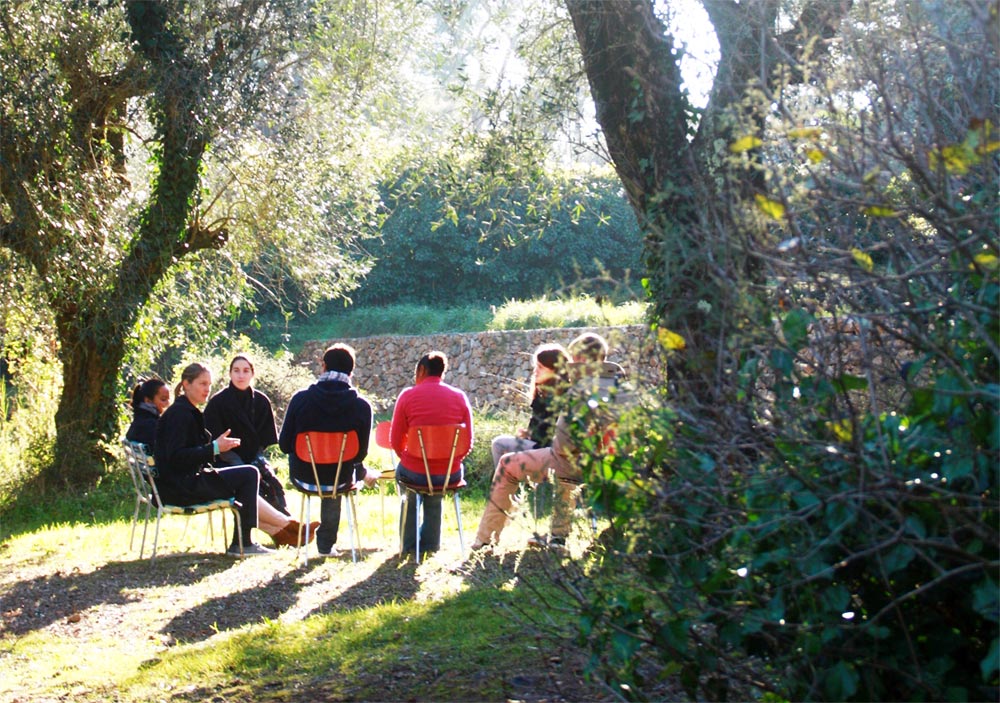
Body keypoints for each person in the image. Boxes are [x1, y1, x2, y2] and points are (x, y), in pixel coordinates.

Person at [471, 332, 625, 551]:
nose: (570, 364)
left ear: (581, 358)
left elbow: (570, 440)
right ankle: (557, 538)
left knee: (507, 463)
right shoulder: (615, 381)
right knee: (561, 467)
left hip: (567, 460)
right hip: (603, 464)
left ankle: (485, 540)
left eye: (573, 358)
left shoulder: (586, 384)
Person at [154, 362, 312, 556]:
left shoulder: (187, 410)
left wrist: (212, 450)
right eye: (202, 383)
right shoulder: (180, 414)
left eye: (209, 384)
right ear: (186, 384)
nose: (207, 389)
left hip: (183, 481)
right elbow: (176, 458)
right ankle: (278, 529)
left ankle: (280, 531)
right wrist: (214, 448)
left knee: (248, 473)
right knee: (247, 474)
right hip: (179, 487)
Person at [278, 344, 380, 558]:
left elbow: (285, 445)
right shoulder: (362, 406)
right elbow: (360, 454)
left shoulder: (300, 399)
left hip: (303, 476)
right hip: (340, 479)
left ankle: (321, 543)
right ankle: (326, 544)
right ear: (351, 372)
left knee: (332, 470)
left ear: (323, 366)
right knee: (338, 474)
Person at [389, 351, 474, 555]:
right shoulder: (459, 397)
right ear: (442, 372)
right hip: (449, 473)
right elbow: (467, 442)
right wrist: (450, 461)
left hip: (415, 469)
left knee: (410, 485)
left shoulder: (408, 396)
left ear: (421, 370)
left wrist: (410, 459)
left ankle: (409, 545)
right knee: (435, 487)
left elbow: (395, 440)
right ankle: (431, 543)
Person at [204, 354, 288, 515]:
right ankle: (280, 526)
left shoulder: (261, 401)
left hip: (254, 456)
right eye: (236, 370)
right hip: (224, 461)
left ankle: (286, 520)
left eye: (245, 371)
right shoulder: (218, 402)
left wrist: (255, 461)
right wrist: (240, 464)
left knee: (270, 482)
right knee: (249, 480)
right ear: (230, 373)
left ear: (252, 373)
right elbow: (211, 439)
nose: (240, 375)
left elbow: (264, 438)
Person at [490, 343, 570, 466]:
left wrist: (531, 437)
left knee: (499, 444)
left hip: (550, 451)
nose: (535, 371)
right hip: (539, 446)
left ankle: (501, 484)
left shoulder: (565, 396)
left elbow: (555, 433)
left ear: (554, 369)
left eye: (540, 367)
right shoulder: (543, 391)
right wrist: (528, 434)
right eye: (535, 367)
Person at [125, 377, 171, 448]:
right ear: (148, 400)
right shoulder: (151, 425)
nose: (168, 404)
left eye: (168, 399)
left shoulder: (139, 419)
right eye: (163, 399)